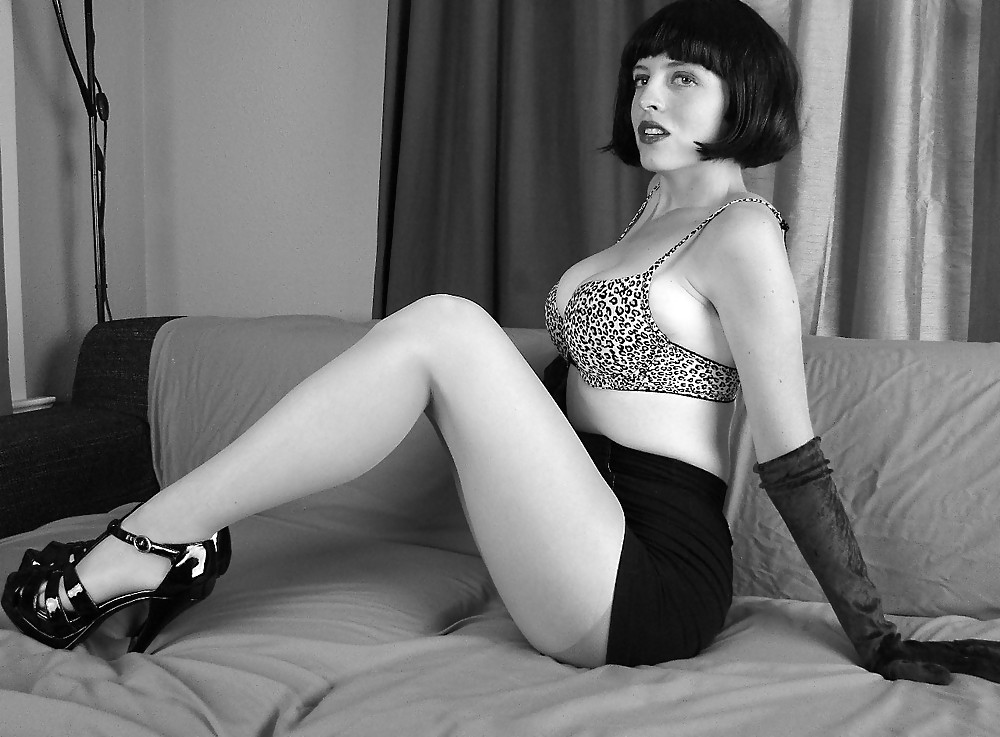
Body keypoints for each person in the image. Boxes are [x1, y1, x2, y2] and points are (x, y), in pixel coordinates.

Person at [4, 0, 999, 681]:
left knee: (444, 324)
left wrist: (874, 631)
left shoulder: (743, 232)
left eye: (682, 77)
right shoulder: (651, 217)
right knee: (442, 334)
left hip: (649, 577)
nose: (649, 98)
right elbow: (588, 385)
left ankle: (147, 542)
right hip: (578, 530)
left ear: (744, 96)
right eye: (641, 77)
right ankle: (162, 540)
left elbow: (789, 450)